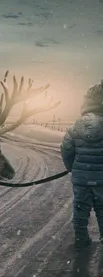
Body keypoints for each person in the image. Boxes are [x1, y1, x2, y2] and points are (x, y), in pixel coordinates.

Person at [60, 80, 103, 248]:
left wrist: (72, 168)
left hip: (81, 179)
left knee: (80, 208)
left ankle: (81, 238)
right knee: (102, 209)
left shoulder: (75, 127)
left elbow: (66, 150)